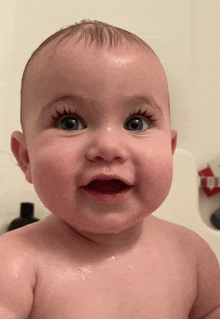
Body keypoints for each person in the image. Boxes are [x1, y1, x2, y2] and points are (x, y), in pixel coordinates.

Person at [0, 20, 220, 319]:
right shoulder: (14, 264)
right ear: (26, 158)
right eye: (70, 122)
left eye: (136, 123)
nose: (108, 147)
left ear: (168, 150)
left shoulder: (192, 255)